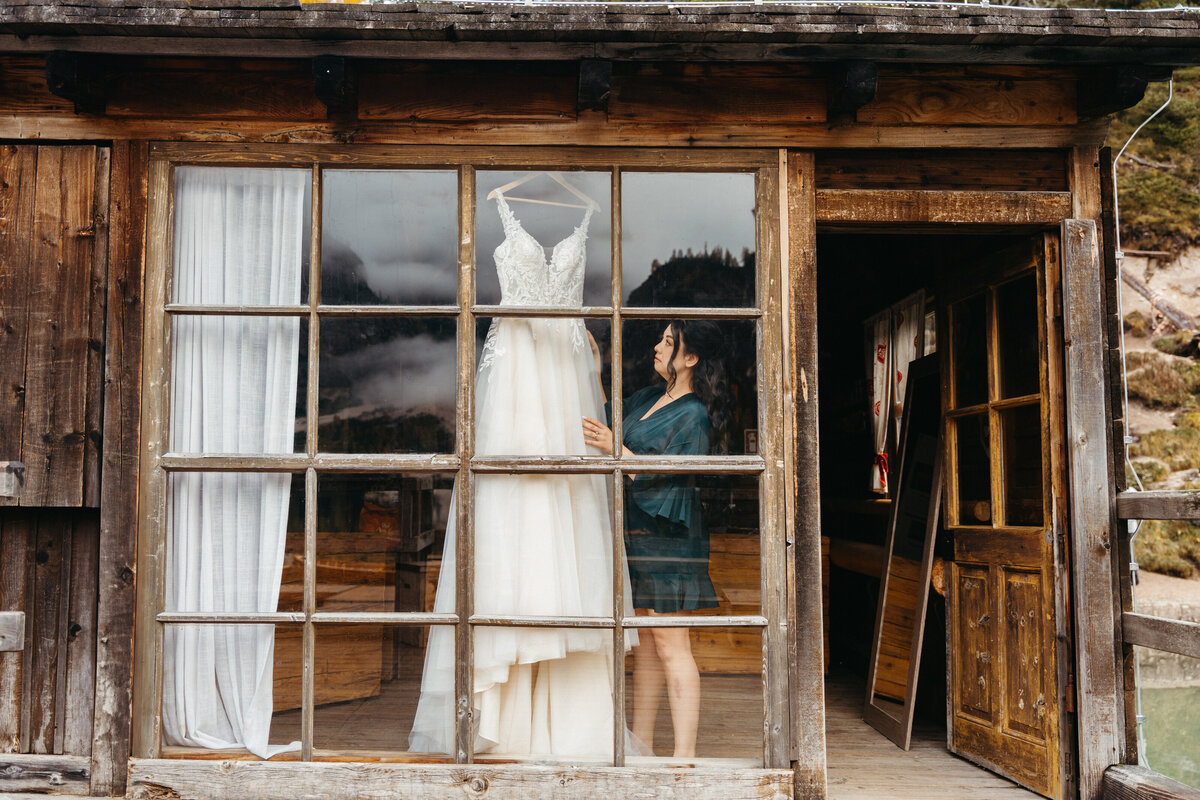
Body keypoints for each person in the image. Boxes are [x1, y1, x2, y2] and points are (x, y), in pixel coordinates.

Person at [581, 320, 726, 758]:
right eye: (661, 340)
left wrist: (614, 448)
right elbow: (607, 420)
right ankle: (641, 746)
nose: (658, 347)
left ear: (691, 358)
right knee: (645, 642)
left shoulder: (695, 414)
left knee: (671, 642)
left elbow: (667, 473)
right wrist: (594, 367)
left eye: (669, 342)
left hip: (670, 539)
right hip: (638, 534)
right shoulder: (648, 397)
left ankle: (685, 758)